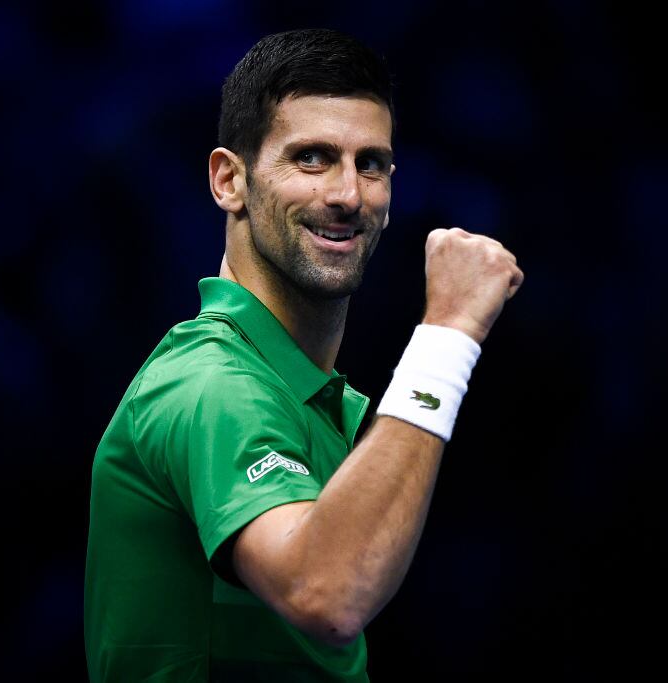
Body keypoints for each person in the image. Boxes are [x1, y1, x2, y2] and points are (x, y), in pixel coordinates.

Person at [84, 28, 523, 682]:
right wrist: (449, 333)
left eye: (370, 164)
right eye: (312, 158)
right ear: (229, 180)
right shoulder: (213, 384)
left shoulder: (309, 399)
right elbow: (328, 595)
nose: (348, 194)